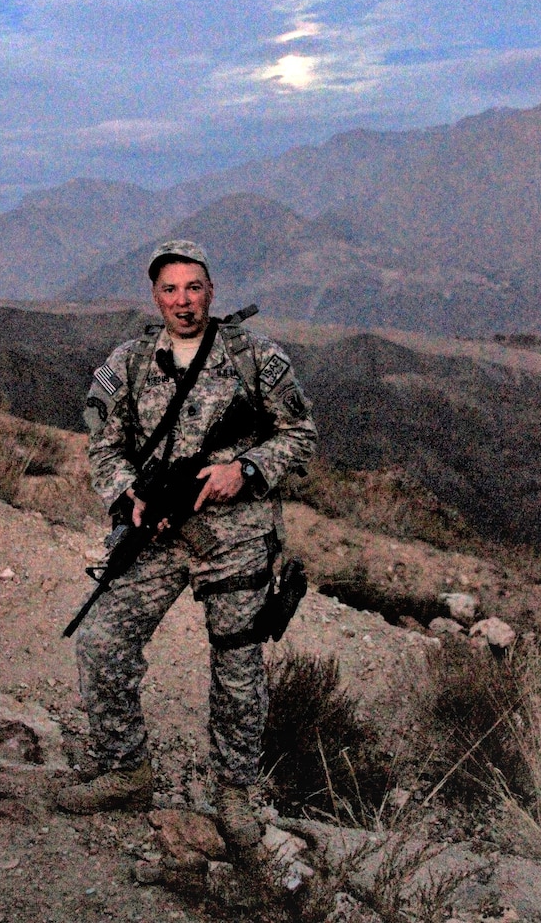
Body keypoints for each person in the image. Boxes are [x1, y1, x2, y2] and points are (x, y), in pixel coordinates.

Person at [58, 240, 317, 850]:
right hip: (157, 535)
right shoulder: (127, 363)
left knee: (237, 668)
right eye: (170, 289)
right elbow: (103, 445)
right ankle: (125, 769)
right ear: (155, 296)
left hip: (236, 539)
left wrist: (246, 470)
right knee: (102, 642)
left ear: (211, 291)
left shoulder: (256, 358)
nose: (183, 300)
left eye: (193, 287)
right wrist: (128, 498)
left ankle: (234, 792)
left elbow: (301, 434)